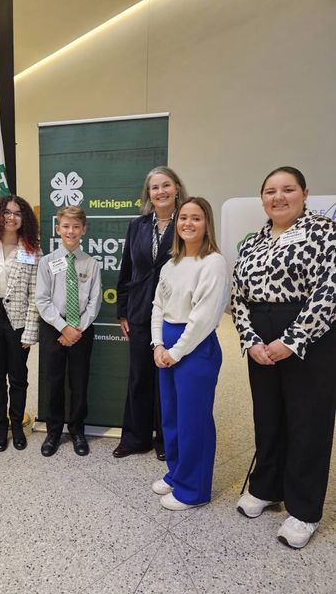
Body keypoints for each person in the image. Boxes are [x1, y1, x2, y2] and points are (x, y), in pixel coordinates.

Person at [231, 166, 336, 549]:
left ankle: (304, 509)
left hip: (311, 337)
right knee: (269, 417)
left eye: (287, 189)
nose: (278, 197)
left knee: (308, 423)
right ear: (262, 198)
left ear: (305, 193)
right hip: (259, 337)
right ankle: (266, 486)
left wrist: (291, 340)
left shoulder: (326, 233)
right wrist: (251, 338)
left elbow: (329, 293)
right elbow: (238, 296)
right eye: (270, 191)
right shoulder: (253, 241)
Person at [150, 197, 229, 510]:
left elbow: (204, 317)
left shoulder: (214, 263)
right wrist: (157, 344)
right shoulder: (171, 264)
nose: (188, 224)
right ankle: (177, 472)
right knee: (171, 416)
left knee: (193, 419)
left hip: (194, 346)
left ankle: (193, 490)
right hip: (167, 342)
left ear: (207, 223)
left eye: (196, 218)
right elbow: (158, 305)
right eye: (183, 218)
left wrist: (176, 351)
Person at [113, 167, 189, 460]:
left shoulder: (186, 221)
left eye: (166, 185)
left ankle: (165, 441)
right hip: (140, 310)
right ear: (148, 194)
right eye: (154, 187)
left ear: (177, 188)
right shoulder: (138, 225)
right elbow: (127, 270)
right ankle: (135, 438)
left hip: (173, 312)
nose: (160, 192)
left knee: (166, 377)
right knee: (139, 376)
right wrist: (123, 311)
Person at [35, 205, 102, 457]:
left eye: (75, 227)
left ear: (83, 229)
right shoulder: (47, 262)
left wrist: (77, 329)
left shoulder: (91, 264)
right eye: (65, 226)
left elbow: (95, 301)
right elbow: (42, 300)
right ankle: (54, 431)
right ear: (57, 228)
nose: (70, 231)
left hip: (82, 331)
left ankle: (77, 430)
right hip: (55, 328)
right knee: (54, 382)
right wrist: (64, 327)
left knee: (79, 382)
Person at [0, 195, 41, 452]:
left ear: (24, 218)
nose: (12, 217)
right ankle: (1, 424)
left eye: (17, 213)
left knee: (18, 377)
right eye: (7, 212)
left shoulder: (32, 250)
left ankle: (17, 423)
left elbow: (35, 294)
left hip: (17, 321)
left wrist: (30, 330)